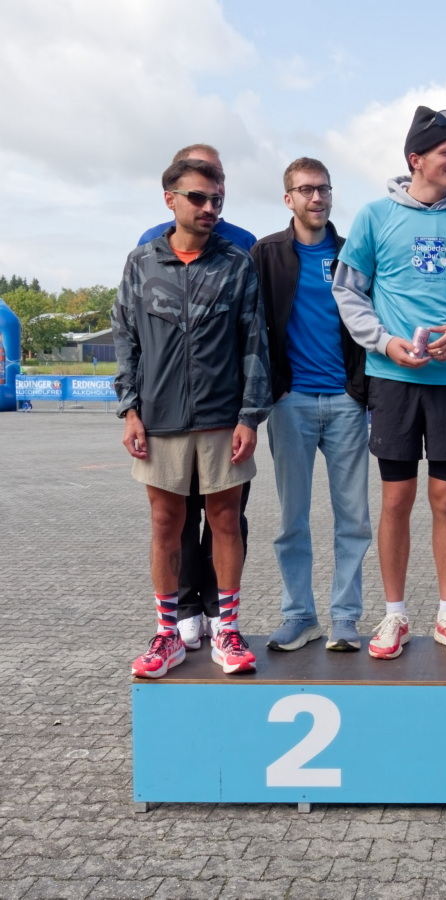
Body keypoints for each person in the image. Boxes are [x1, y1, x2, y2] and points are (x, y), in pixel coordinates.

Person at [333, 106, 446, 659]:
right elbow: (348, 291)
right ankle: (394, 615)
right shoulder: (374, 216)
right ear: (415, 159)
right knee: (396, 499)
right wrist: (384, 342)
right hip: (392, 378)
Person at [115, 158, 270, 678]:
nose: (209, 208)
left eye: (217, 200)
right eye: (198, 198)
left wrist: (250, 416)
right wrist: (129, 409)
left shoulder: (236, 263)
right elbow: (125, 338)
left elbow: (255, 341)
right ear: (170, 199)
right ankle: (167, 633)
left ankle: (227, 628)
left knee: (226, 520)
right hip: (159, 417)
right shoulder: (142, 263)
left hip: (223, 416)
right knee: (165, 523)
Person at [252, 157, 371, 653]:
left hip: (346, 402)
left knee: (354, 520)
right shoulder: (266, 253)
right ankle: (300, 616)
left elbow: (373, 318)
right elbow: (252, 326)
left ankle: (345, 618)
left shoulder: (352, 252)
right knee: (291, 521)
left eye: (323, 188)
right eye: (306, 190)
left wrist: (360, 389)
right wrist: (272, 388)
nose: (317, 197)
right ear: (289, 198)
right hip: (291, 402)